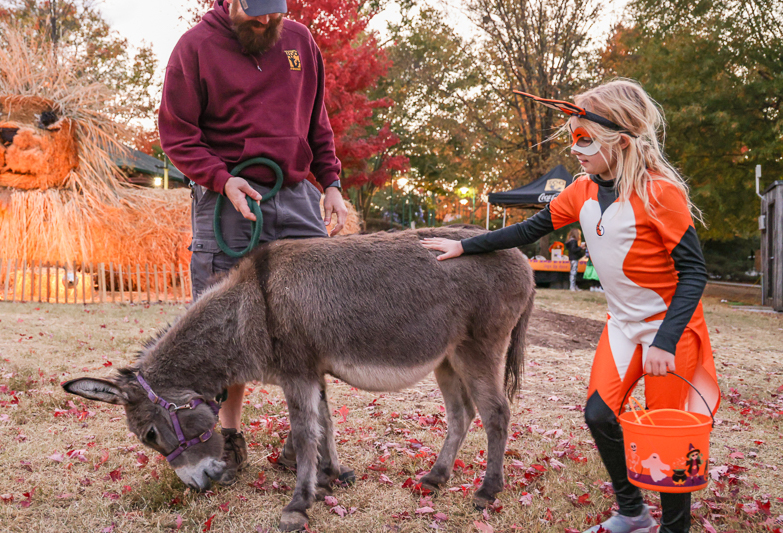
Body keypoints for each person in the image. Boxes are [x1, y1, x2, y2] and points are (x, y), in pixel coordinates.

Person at [422, 79, 720, 533]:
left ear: (620, 141)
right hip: (622, 327)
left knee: (665, 434)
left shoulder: (660, 193)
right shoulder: (580, 191)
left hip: (669, 332)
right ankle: (633, 512)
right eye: (572, 137)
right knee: (599, 414)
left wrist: (665, 340)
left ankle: (675, 527)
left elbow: (694, 272)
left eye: (585, 139)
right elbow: (528, 230)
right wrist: (465, 245)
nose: (575, 149)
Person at [158, 0, 348, 484]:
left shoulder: (300, 41)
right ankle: (229, 437)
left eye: (273, 11)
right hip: (228, 194)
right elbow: (178, 136)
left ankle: (306, 440)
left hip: (296, 193)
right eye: (254, 10)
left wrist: (330, 182)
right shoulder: (194, 48)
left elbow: (316, 121)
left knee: (315, 317)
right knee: (225, 323)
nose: (264, 20)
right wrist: (221, 179)